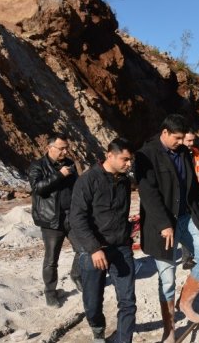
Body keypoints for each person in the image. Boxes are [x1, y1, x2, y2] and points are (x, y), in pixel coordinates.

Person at [135, 114, 199, 342]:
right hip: (162, 225)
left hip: (187, 218)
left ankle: (186, 301)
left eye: (183, 138)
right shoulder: (146, 155)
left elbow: (193, 188)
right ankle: (168, 329)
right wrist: (164, 224)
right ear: (164, 132)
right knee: (168, 279)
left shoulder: (183, 152)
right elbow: (148, 194)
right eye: (177, 138)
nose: (181, 142)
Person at [70, 138, 136, 343]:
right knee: (92, 302)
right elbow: (77, 218)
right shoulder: (88, 180)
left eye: (130, 160)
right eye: (125, 159)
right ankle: (98, 329)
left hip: (121, 248)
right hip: (94, 251)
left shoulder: (124, 180)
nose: (129, 164)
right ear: (110, 155)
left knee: (128, 302)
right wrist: (93, 248)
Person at [28, 133, 81, 307]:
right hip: (51, 219)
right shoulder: (37, 166)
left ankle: (76, 275)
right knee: (52, 259)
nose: (65, 151)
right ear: (49, 148)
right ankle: (50, 292)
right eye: (61, 148)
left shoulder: (69, 164)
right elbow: (38, 188)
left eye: (67, 148)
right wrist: (59, 175)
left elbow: (77, 187)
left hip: (71, 216)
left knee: (84, 249)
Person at [180, 131, 199, 270]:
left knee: (196, 226)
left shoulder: (196, 154)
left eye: (193, 141)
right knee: (186, 227)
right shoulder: (178, 156)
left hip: (195, 194)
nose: (191, 144)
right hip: (182, 198)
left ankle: (192, 254)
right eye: (188, 141)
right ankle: (187, 258)